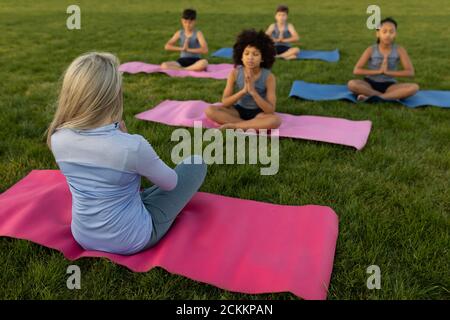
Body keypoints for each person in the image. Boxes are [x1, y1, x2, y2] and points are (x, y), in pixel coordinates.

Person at [46, 52, 207, 255]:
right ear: (114, 95)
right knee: (195, 163)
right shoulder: (132, 146)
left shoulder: (57, 138)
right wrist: (128, 142)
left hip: (83, 235)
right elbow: (170, 183)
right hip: (132, 238)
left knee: (125, 191)